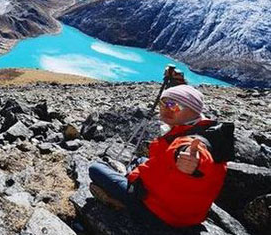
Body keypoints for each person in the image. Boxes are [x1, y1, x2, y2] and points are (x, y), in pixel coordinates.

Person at [88, 82, 234, 228]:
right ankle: (129, 179)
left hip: (159, 213)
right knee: (141, 160)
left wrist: (193, 164)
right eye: (163, 103)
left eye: (173, 105)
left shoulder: (191, 143)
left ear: (193, 109)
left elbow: (195, 152)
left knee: (96, 169)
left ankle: (123, 203)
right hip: (189, 215)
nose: (165, 109)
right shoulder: (204, 129)